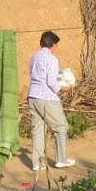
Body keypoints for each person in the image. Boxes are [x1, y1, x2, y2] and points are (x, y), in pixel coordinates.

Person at [26, 31, 74, 170]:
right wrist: (64, 88)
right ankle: (61, 159)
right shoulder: (51, 59)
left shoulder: (34, 57)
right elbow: (51, 82)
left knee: (38, 129)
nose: (57, 47)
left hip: (32, 96)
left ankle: (37, 163)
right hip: (46, 97)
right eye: (56, 44)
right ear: (52, 44)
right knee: (61, 127)